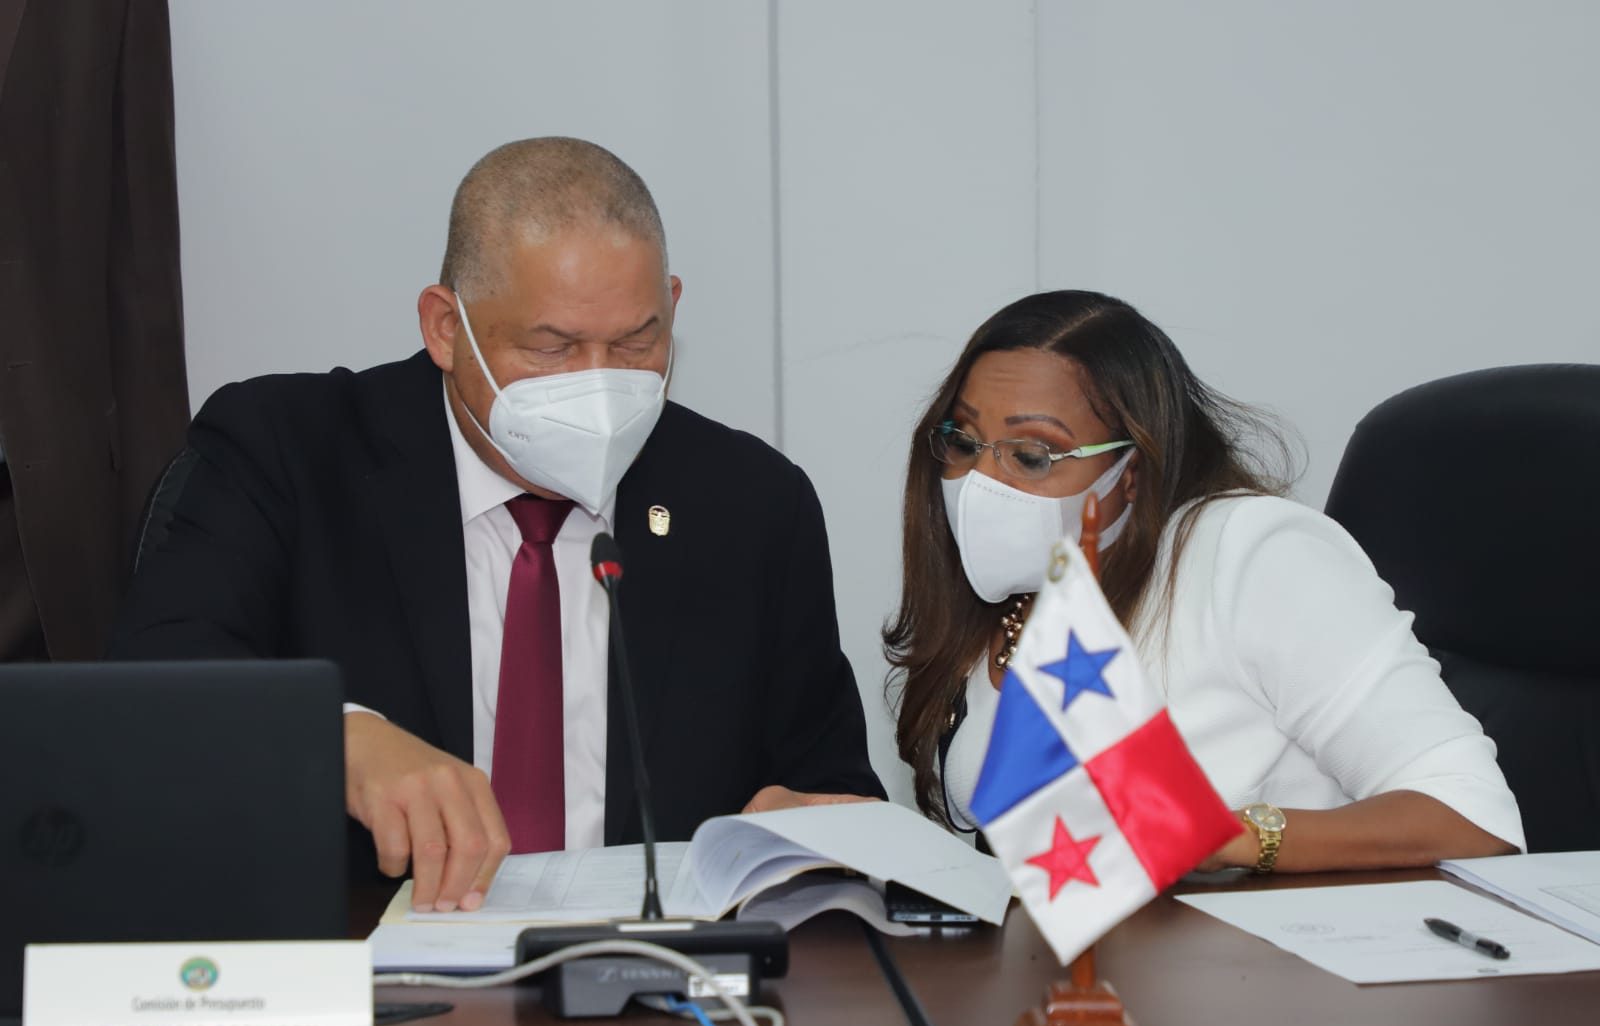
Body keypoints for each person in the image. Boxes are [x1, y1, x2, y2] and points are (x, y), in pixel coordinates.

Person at [114, 137, 881, 909]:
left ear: (673, 305)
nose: (598, 385)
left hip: (657, 995)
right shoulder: (285, 451)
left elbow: (832, 787)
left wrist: (814, 832)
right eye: (552, 347)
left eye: (635, 342)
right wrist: (336, 737)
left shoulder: (751, 504)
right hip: (363, 983)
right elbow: (159, 686)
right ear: (446, 327)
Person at [884, 290, 1522, 873]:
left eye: (1032, 456)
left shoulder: (1252, 554)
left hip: (1260, 978)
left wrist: (1230, 836)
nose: (982, 485)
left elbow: (1470, 814)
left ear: (1130, 470)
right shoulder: (1012, 586)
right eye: (963, 442)